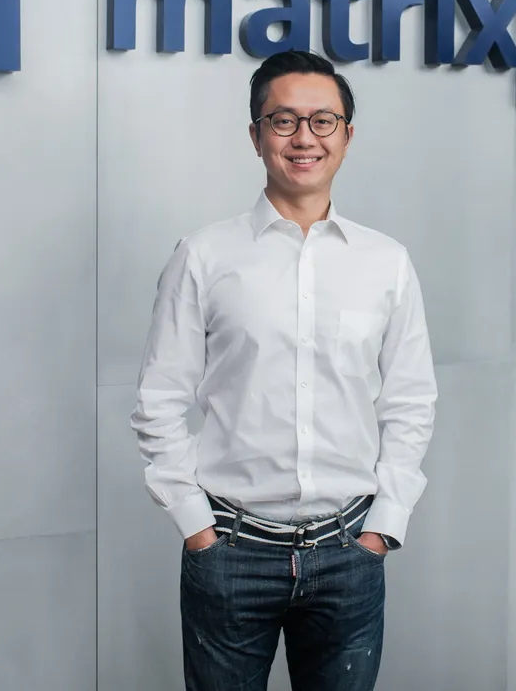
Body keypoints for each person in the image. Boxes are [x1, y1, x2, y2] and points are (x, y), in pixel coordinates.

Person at [131, 50, 438, 691]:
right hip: (230, 551)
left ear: (346, 136)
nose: (304, 138)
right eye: (284, 120)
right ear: (256, 135)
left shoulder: (386, 262)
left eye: (323, 121)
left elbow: (410, 400)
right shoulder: (204, 256)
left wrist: (385, 526)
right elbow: (159, 397)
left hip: (350, 550)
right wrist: (195, 526)